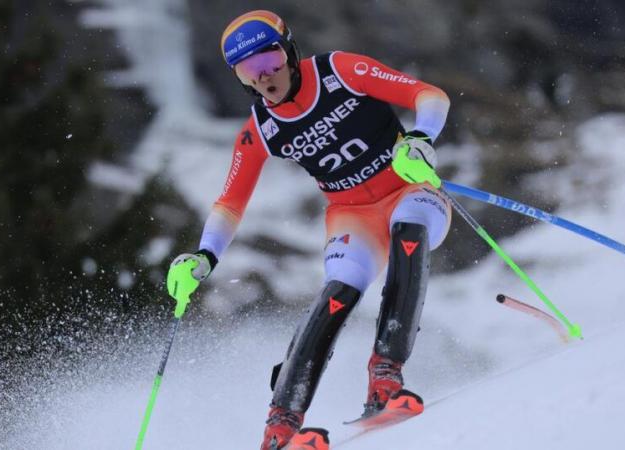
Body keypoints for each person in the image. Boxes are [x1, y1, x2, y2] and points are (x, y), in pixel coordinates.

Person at [167, 10, 452, 450]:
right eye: (248, 71)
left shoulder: (341, 71)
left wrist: (422, 139)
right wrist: (203, 256)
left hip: (410, 191)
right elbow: (230, 202)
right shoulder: (260, 128)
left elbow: (430, 96)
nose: (264, 78)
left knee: (409, 233)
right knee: (338, 292)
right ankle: (279, 428)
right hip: (351, 213)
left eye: (270, 61)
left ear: (290, 51)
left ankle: (385, 381)